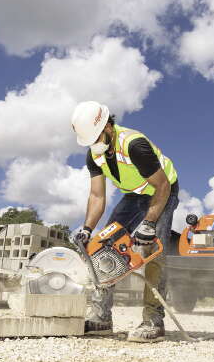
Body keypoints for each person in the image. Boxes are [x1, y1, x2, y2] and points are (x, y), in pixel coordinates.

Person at [71, 101, 179, 343]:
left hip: (162, 191)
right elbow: (97, 196)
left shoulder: (134, 145)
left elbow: (162, 186)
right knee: (102, 247)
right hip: (134, 195)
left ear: (108, 126)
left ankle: (153, 321)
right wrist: (87, 229)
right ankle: (101, 318)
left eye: (96, 137)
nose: (93, 144)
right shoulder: (94, 154)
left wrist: (149, 223)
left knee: (153, 252)